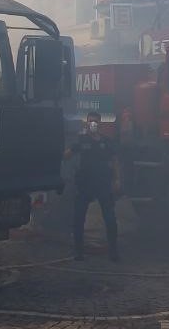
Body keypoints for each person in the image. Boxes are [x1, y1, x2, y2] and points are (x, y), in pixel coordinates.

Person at [65, 112, 120, 262]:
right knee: (78, 219)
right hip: (85, 185)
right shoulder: (81, 140)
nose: (93, 124)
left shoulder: (106, 142)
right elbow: (67, 155)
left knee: (110, 219)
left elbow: (114, 160)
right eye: (90, 122)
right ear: (87, 123)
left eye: (95, 121)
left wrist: (116, 180)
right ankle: (78, 252)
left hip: (103, 184)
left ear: (99, 123)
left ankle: (113, 252)